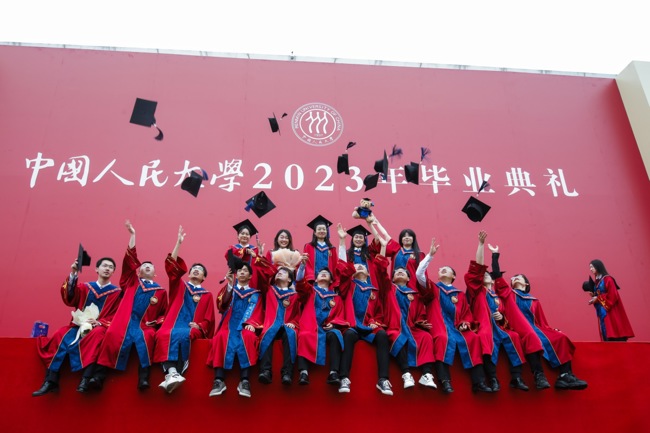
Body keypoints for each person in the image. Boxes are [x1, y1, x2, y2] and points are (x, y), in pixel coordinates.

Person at [491, 252, 588, 390]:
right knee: (532, 337)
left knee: (560, 337)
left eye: (519, 277)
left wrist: (552, 331)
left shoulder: (534, 301)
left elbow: (542, 322)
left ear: (526, 283)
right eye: (513, 278)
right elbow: (497, 277)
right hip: (518, 327)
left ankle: (565, 376)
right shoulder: (509, 294)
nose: (515, 277)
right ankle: (539, 376)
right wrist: (495, 256)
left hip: (536, 328)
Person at [93, 220, 168, 390]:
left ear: (155, 274)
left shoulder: (161, 292)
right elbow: (128, 263)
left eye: (150, 266)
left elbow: (164, 313)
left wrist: (156, 322)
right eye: (144, 266)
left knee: (148, 338)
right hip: (124, 322)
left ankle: (144, 378)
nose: (147, 267)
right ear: (139, 271)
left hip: (144, 325)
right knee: (112, 334)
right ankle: (98, 376)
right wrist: (133, 236)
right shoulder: (131, 282)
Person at [33, 256, 121, 396]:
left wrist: (100, 322)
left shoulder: (117, 293)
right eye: (104, 266)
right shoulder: (85, 287)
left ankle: (85, 379)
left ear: (113, 272)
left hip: (100, 328)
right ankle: (50, 381)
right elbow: (70, 297)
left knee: (97, 334)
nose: (107, 269)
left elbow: (117, 315)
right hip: (78, 326)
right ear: (97, 269)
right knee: (60, 334)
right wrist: (74, 273)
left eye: (111, 267)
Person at [416, 238, 492, 393]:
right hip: (439, 326)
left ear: (453, 276)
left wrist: (465, 323)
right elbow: (419, 274)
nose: (442, 270)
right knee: (442, 338)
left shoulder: (460, 295)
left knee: (473, 338)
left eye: (446, 269)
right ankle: (445, 381)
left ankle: (479, 382)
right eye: (440, 269)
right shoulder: (433, 289)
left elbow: (466, 314)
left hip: (457, 328)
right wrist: (430, 256)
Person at [154, 225, 215, 393]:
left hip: (190, 327)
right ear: (188, 274)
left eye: (200, 270)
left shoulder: (207, 295)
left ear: (204, 277)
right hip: (173, 323)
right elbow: (172, 268)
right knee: (162, 334)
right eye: (194, 269)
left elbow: (209, 319)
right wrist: (178, 243)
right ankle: (172, 373)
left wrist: (200, 326)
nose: (196, 271)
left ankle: (173, 373)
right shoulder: (180, 286)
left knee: (184, 334)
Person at [465, 231, 528, 392]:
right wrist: (481, 245)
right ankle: (493, 379)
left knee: (514, 336)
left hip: (500, 328)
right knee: (485, 339)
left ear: (493, 280)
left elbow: (505, 316)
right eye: (483, 274)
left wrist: (501, 317)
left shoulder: (497, 296)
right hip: (484, 327)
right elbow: (478, 269)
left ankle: (517, 378)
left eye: (488, 274)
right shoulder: (477, 291)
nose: (485, 275)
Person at [206, 258, 274, 398]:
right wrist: (230, 285)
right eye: (240, 271)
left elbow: (258, 312)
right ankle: (218, 380)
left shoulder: (256, 294)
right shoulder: (230, 289)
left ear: (250, 276)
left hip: (245, 326)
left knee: (248, 337)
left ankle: (244, 381)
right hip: (229, 326)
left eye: (245, 271)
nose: (242, 272)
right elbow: (222, 306)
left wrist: (252, 324)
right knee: (221, 337)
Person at [336, 234, 392, 395]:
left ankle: (383, 379)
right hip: (353, 325)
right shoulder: (348, 285)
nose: (360, 267)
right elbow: (342, 267)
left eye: (363, 266)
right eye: (357, 266)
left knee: (382, 335)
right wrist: (342, 241)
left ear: (369, 273)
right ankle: (344, 378)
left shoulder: (374, 291)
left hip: (368, 326)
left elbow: (379, 313)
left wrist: (375, 321)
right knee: (348, 336)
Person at [380, 263, 437, 390]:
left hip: (411, 327)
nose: (400, 271)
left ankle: (426, 374)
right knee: (396, 336)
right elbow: (382, 273)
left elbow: (420, 313)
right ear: (392, 278)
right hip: (394, 326)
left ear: (408, 279)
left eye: (403, 271)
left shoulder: (415, 295)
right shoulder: (389, 289)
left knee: (426, 337)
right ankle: (406, 373)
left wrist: (419, 321)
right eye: (396, 272)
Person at [295, 265, 349, 386]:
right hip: (311, 325)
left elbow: (340, 315)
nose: (323, 273)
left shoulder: (336, 298)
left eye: (327, 273)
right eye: (320, 273)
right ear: (315, 279)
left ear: (331, 280)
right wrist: (302, 268)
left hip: (326, 328)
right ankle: (303, 372)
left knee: (336, 335)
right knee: (304, 335)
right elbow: (300, 286)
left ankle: (333, 373)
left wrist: (334, 324)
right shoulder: (310, 291)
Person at [248, 265, 301, 385]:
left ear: (289, 280)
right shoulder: (269, 290)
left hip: (286, 325)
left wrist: (293, 323)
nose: (279, 273)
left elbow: (297, 314)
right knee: (268, 333)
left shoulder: (294, 296)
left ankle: (287, 373)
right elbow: (262, 276)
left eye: (283, 272)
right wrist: (260, 259)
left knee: (291, 334)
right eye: (278, 272)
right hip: (270, 324)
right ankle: (265, 371)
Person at [586, 259, 634, 341]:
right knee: (605, 333)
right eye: (590, 267)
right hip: (602, 311)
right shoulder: (597, 281)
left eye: (592, 267)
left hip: (610, 310)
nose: (590, 269)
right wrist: (594, 296)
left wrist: (598, 298)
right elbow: (599, 295)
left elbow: (613, 295)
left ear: (598, 267)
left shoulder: (608, 279)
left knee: (613, 332)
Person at [303, 215, 339, 288]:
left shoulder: (332, 248)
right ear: (315, 232)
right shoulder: (308, 247)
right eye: (319, 229)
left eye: (324, 229)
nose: (322, 231)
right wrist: (311, 278)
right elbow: (307, 264)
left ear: (327, 231)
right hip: (313, 283)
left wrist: (334, 281)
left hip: (328, 283)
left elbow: (335, 266)